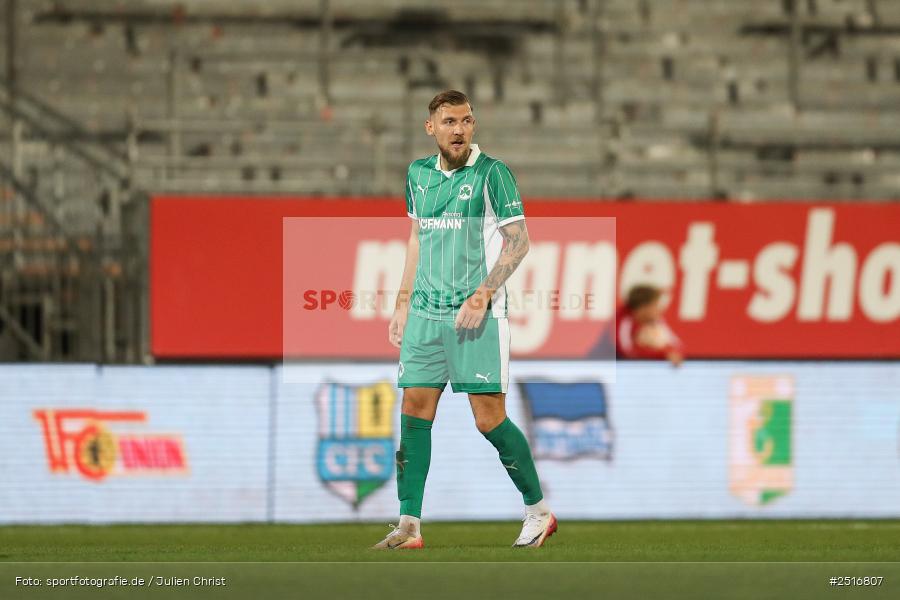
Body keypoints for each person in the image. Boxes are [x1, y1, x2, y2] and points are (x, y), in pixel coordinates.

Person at [375, 90, 556, 550]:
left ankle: (538, 511)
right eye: (450, 121)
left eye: (467, 121)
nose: (460, 130)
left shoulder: (493, 174)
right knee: (414, 408)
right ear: (430, 127)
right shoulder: (417, 174)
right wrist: (401, 302)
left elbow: (519, 242)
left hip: (478, 315)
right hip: (425, 314)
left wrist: (482, 294)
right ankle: (409, 525)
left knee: (487, 419)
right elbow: (416, 239)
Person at [616, 285, 684, 367]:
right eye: (655, 305)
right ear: (643, 308)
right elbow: (626, 352)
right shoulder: (622, 320)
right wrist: (662, 354)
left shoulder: (656, 320)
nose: (660, 309)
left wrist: (670, 352)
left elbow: (678, 346)